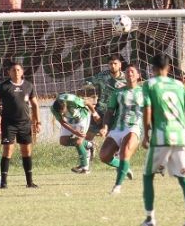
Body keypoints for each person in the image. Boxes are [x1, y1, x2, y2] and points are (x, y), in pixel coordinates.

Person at [140, 54, 185, 226]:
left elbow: (147, 110)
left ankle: (150, 219)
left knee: (148, 175)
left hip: (161, 136)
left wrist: (146, 134)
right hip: (181, 136)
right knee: (184, 177)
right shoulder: (179, 85)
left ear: (152, 68)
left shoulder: (149, 84)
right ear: (169, 68)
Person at [0, 63, 40, 189]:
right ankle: (4, 183)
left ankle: (29, 182)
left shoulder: (29, 86)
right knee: (8, 150)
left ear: (22, 71)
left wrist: (37, 122)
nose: (16, 72)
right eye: (13, 70)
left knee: (27, 151)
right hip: (8, 123)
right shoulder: (4, 86)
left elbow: (35, 105)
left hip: (25, 123)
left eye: (18, 70)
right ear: (9, 72)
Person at [100, 64, 144, 194]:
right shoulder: (118, 92)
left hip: (134, 127)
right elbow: (109, 111)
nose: (129, 74)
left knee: (125, 154)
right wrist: (105, 126)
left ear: (138, 75)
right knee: (104, 156)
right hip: (118, 128)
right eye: (127, 72)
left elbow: (150, 111)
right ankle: (125, 168)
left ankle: (117, 187)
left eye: (132, 72)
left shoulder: (144, 92)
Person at [52, 90, 100, 174]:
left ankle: (85, 167)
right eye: (60, 112)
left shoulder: (72, 100)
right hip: (70, 120)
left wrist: (95, 114)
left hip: (82, 117)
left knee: (78, 142)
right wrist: (74, 131)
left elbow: (88, 103)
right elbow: (62, 122)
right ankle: (89, 145)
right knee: (63, 141)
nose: (62, 113)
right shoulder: (53, 108)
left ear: (65, 105)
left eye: (63, 110)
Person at [84, 54, 128, 143]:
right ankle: (89, 149)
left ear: (120, 65)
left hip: (117, 112)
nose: (113, 66)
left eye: (115, 63)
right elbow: (88, 83)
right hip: (101, 110)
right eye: (110, 64)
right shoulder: (102, 76)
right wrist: (88, 88)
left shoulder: (126, 79)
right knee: (88, 135)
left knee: (113, 138)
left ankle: (115, 154)